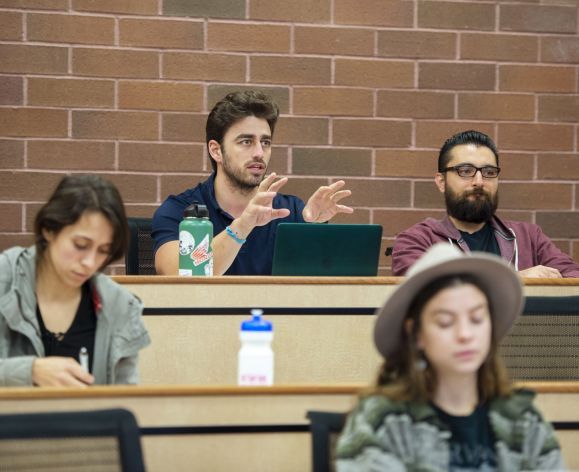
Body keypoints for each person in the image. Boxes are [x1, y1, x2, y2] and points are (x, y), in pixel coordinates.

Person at [336, 243, 564, 471]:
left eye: (476, 319)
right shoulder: (381, 420)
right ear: (416, 334)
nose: (465, 334)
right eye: (445, 322)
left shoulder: (523, 419)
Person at [153, 90, 353, 275]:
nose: (259, 153)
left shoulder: (292, 212)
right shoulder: (180, 211)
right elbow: (175, 273)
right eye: (246, 141)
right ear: (216, 151)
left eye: (265, 142)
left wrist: (316, 230)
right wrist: (243, 225)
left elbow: (324, 292)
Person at [0, 175, 150, 387]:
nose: (90, 263)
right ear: (49, 230)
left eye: (103, 251)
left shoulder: (120, 305)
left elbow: (125, 403)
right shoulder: (5, 278)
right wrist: (29, 371)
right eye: (80, 245)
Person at [392, 130, 579, 277]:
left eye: (489, 172)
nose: (479, 181)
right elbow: (422, 288)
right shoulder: (418, 240)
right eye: (465, 171)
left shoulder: (528, 238)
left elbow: (573, 277)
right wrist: (515, 278)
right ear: (441, 181)